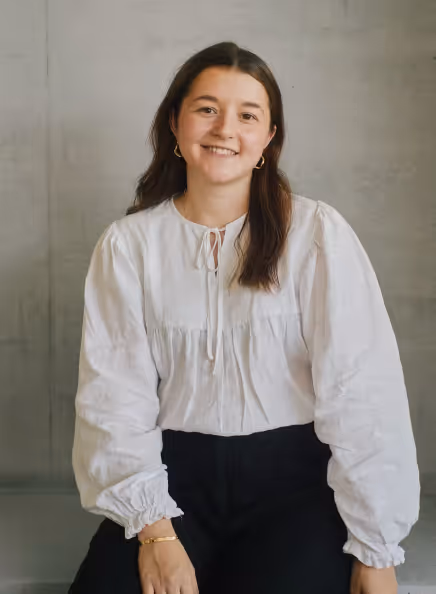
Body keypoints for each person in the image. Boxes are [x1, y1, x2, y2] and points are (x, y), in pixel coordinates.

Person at [68, 41, 420, 594]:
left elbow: (362, 392)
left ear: (268, 138)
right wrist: (156, 532)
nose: (224, 128)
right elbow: (113, 398)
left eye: (248, 114)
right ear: (175, 123)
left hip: (297, 490)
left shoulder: (316, 234)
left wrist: (375, 548)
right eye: (207, 108)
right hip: (171, 484)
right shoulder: (128, 246)